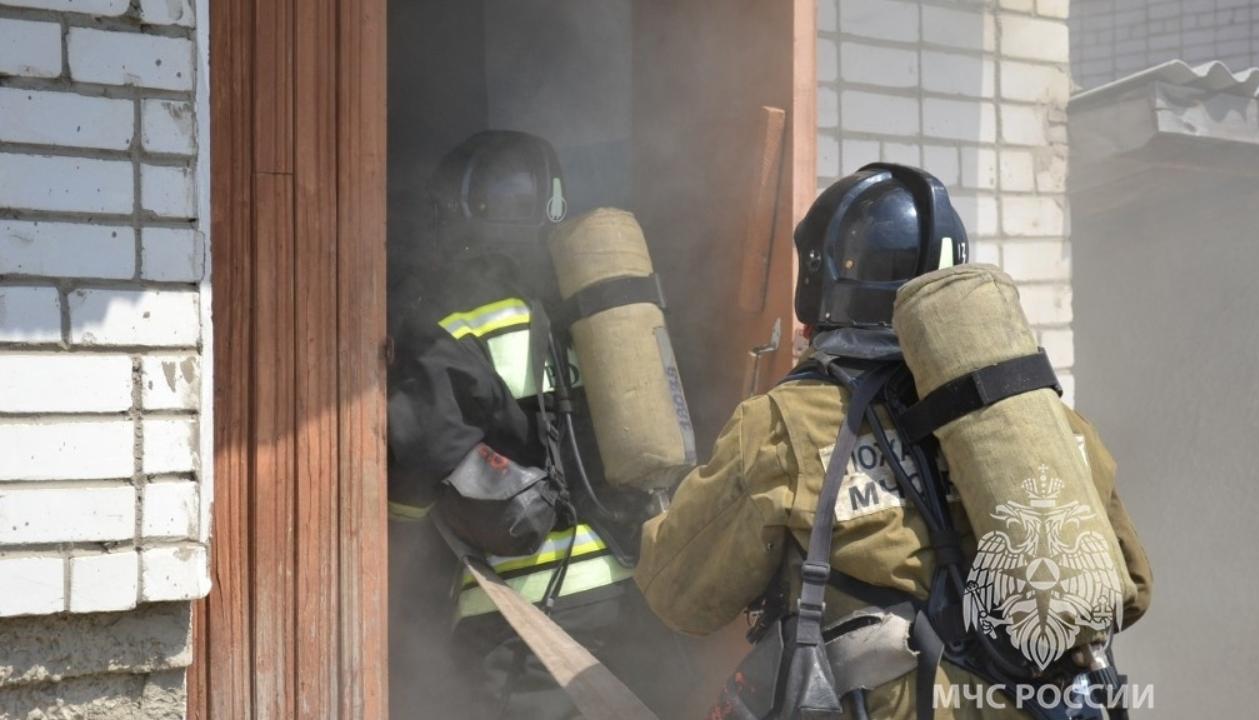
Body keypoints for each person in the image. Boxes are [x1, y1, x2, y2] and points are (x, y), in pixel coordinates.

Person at [633, 164, 1153, 720]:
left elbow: (679, 595)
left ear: (823, 284)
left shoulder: (784, 425)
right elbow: (1133, 587)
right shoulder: (1041, 418)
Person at [386, 130, 692, 719]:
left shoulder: (454, 328)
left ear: (452, 213)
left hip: (518, 618)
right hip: (626, 592)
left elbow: (413, 473)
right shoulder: (593, 319)